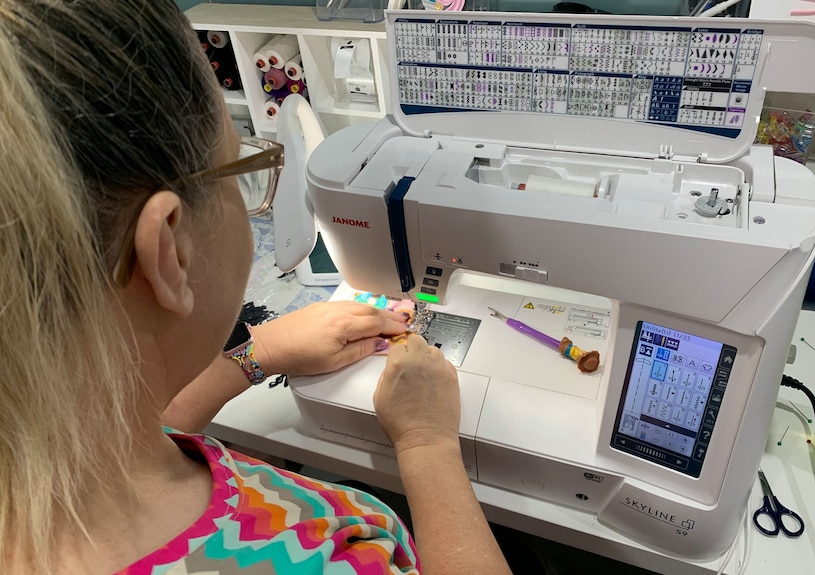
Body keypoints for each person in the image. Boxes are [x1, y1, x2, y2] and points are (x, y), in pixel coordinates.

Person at [0, 1, 513, 574]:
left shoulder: (65, 449)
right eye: (242, 167)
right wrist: (427, 445)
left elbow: (144, 426)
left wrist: (258, 353)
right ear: (168, 251)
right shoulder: (329, 556)